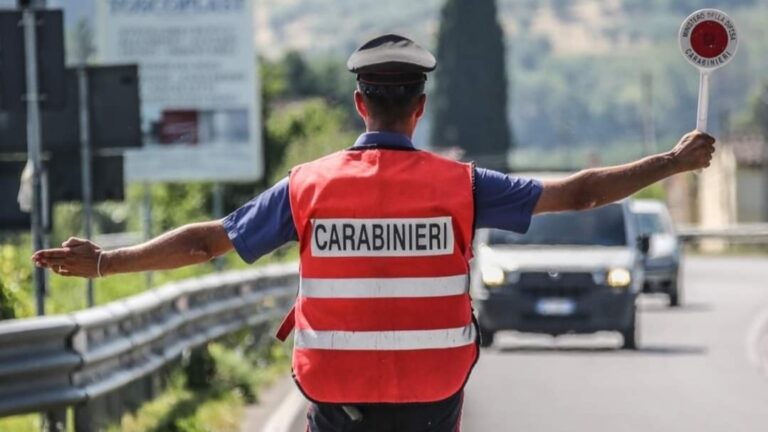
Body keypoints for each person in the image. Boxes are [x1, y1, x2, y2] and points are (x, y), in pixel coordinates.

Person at [32, 34, 715, 432]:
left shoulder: (308, 185)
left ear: (360, 103)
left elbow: (207, 242)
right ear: (419, 109)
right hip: (432, 399)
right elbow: (583, 191)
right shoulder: (462, 186)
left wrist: (106, 261)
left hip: (340, 403)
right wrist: (674, 161)